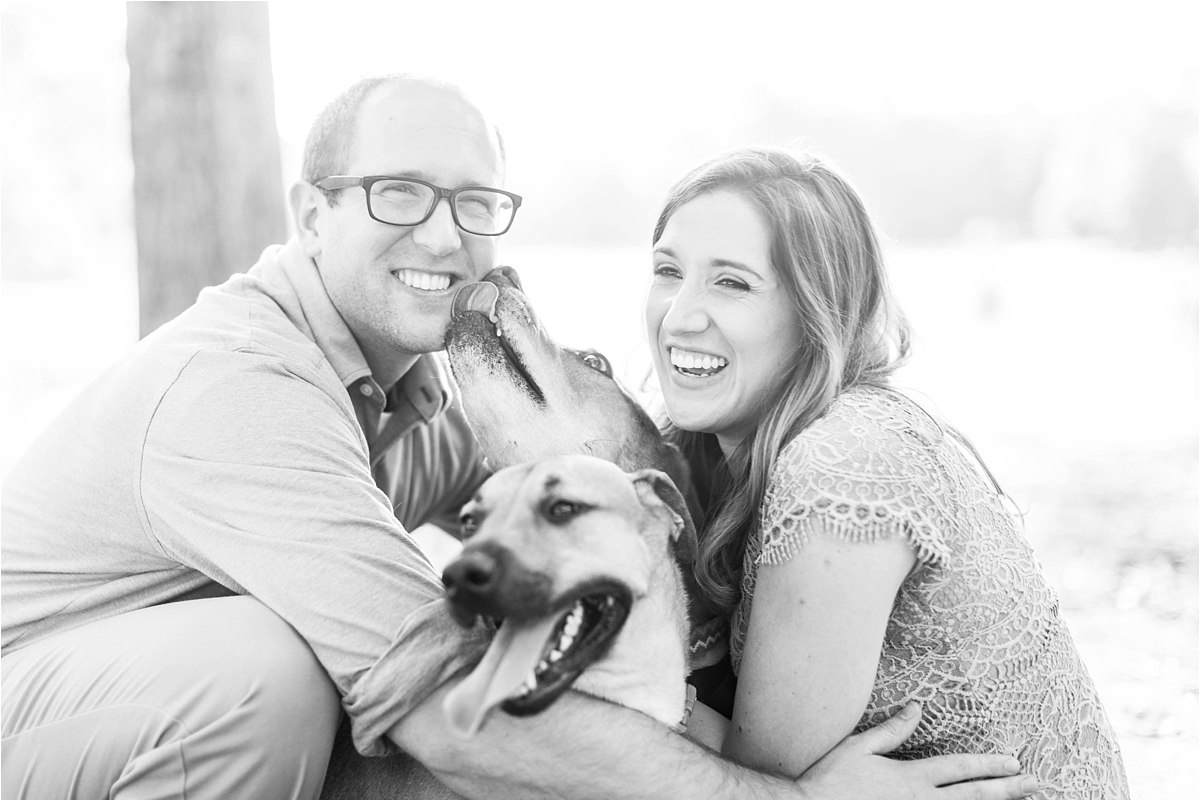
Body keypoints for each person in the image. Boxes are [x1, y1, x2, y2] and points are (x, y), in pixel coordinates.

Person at [1, 74, 1035, 800]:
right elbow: (434, 697)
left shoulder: (418, 395)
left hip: (109, 704)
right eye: (396, 193)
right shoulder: (239, 390)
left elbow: (572, 498)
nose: (446, 236)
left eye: (476, 201)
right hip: (33, 703)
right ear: (310, 214)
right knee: (261, 671)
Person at [644, 147, 1130, 798]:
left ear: (816, 311)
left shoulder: (842, 461)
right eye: (668, 271)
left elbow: (753, 782)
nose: (679, 315)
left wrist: (617, 682)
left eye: (730, 282)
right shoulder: (735, 454)